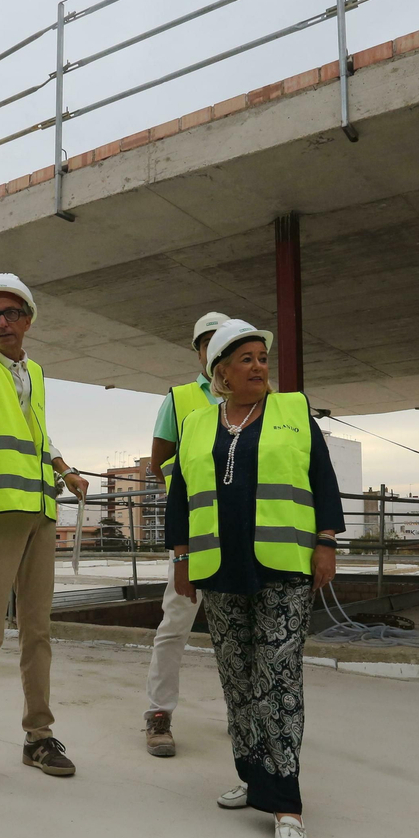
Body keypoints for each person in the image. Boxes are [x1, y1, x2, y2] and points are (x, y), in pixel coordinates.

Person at [166, 319, 343, 838]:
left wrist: (327, 542)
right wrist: (180, 557)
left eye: (262, 357)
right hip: (220, 568)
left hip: (283, 566)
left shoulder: (293, 411)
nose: (260, 366)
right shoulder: (197, 424)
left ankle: (286, 800)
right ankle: (252, 774)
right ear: (221, 371)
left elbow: (322, 477)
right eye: (246, 359)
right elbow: (180, 494)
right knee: (237, 675)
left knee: (277, 675)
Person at [0, 267, 89, 788]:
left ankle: (38, 736)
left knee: (38, 632)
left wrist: (64, 468)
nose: (1, 322)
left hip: (39, 513)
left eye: (10, 313)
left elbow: (37, 433)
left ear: (28, 320)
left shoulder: (35, 374)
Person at [142, 310, 229, 757]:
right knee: (176, 622)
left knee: (240, 628)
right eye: (206, 342)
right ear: (198, 350)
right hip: (194, 534)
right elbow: (160, 465)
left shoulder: (260, 398)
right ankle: (159, 713)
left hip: (243, 533)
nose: (214, 348)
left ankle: (245, 712)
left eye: (221, 341)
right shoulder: (178, 400)